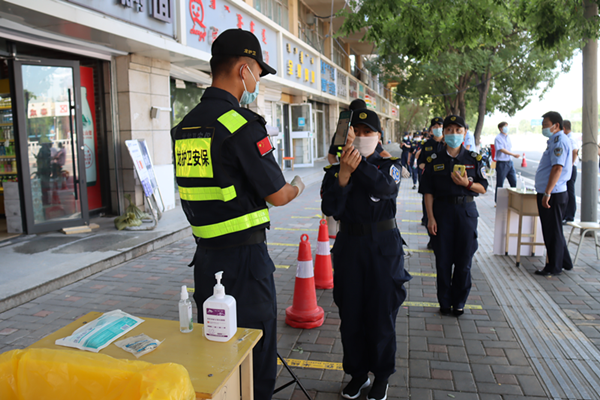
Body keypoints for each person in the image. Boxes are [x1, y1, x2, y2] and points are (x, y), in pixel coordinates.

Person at [171, 29, 304, 400]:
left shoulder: (185, 126)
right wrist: (297, 186)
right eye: (257, 74)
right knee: (254, 352)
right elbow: (277, 194)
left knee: (217, 350)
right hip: (245, 263)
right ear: (243, 69)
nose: (257, 82)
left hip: (205, 261)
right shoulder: (241, 124)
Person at [321, 109, 411, 400]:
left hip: (383, 249)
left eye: (366, 132)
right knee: (351, 315)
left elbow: (385, 188)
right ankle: (357, 374)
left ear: (378, 136)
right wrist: (343, 175)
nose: (360, 137)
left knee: (381, 314)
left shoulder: (389, 166)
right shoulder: (335, 171)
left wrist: (356, 164)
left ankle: (381, 376)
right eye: (355, 132)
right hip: (349, 248)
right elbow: (330, 208)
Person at [421, 115, 488, 317]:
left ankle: (459, 302)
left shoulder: (474, 159)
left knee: (464, 260)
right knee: (443, 261)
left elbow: (483, 187)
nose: (453, 134)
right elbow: (428, 192)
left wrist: (467, 184)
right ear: (443, 133)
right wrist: (430, 218)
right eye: (449, 130)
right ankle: (444, 301)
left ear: (465, 133)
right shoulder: (434, 160)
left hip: (466, 213)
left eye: (458, 130)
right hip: (442, 213)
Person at [533, 111, 573, 276]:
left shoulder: (559, 141)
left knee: (552, 231)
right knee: (554, 229)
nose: (543, 128)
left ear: (556, 125)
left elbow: (557, 168)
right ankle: (565, 261)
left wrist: (547, 192)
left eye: (546, 125)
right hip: (553, 192)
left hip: (553, 193)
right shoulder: (556, 140)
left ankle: (553, 267)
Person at [327, 99, 390, 165]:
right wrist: (340, 168)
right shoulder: (339, 134)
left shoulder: (370, 140)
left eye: (367, 131)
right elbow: (331, 156)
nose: (361, 136)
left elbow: (383, 154)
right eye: (355, 131)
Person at [416, 117, 445, 247]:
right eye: (435, 127)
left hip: (443, 184)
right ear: (431, 129)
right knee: (429, 211)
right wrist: (428, 169)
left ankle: (441, 239)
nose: (438, 129)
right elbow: (420, 162)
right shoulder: (426, 145)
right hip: (429, 183)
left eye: (440, 126)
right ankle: (432, 239)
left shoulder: (447, 144)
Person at [494, 122, 520, 203]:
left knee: (514, 182)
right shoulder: (498, 138)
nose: (507, 128)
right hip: (502, 163)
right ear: (500, 128)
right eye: (505, 127)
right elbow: (502, 149)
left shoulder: (508, 137)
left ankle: (515, 200)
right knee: (500, 184)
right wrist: (513, 154)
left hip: (509, 162)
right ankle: (498, 202)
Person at [563, 120, 578, 223]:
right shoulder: (569, 138)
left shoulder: (570, 139)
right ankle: (566, 214)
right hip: (569, 168)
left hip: (571, 169)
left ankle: (569, 216)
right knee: (567, 191)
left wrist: (571, 164)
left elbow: (575, 151)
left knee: (569, 192)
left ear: (564, 128)